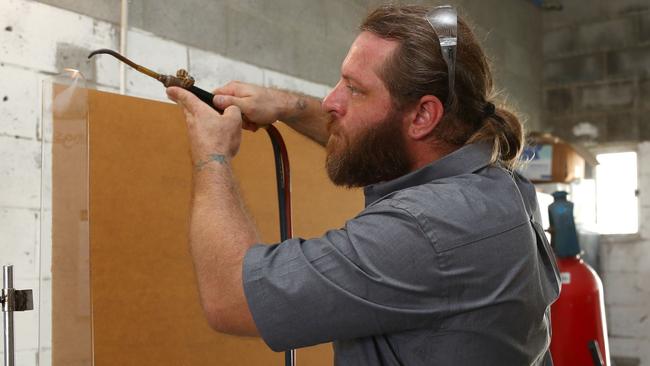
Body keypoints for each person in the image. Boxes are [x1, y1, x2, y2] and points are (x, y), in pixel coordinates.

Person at [166, 4, 560, 365]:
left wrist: (211, 155)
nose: (332, 102)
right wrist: (289, 106)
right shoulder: (498, 179)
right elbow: (378, 140)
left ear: (424, 115)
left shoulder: (425, 230)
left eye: (355, 89)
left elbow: (231, 297)